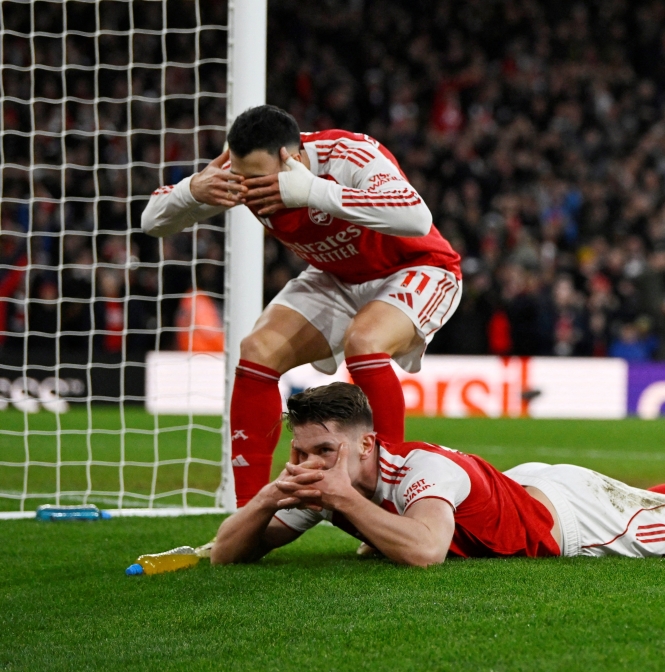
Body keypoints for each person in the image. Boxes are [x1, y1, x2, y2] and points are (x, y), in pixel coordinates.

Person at [210, 382, 665, 566]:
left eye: (323, 453)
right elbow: (228, 551)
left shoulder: (420, 472)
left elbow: (425, 550)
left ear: (367, 448)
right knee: (650, 500)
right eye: (299, 454)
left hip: (567, 518)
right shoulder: (332, 478)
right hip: (529, 486)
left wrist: (343, 504)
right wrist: (273, 494)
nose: (309, 467)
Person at [142, 105, 462, 506]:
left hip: (417, 266)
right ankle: (248, 515)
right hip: (337, 275)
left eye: (257, 179)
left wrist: (313, 190)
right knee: (256, 351)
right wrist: (192, 191)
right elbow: (152, 220)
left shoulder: (348, 154)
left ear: (289, 158)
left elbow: (416, 217)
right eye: (240, 177)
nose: (246, 188)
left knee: (364, 341)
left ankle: (389, 507)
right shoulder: (241, 173)